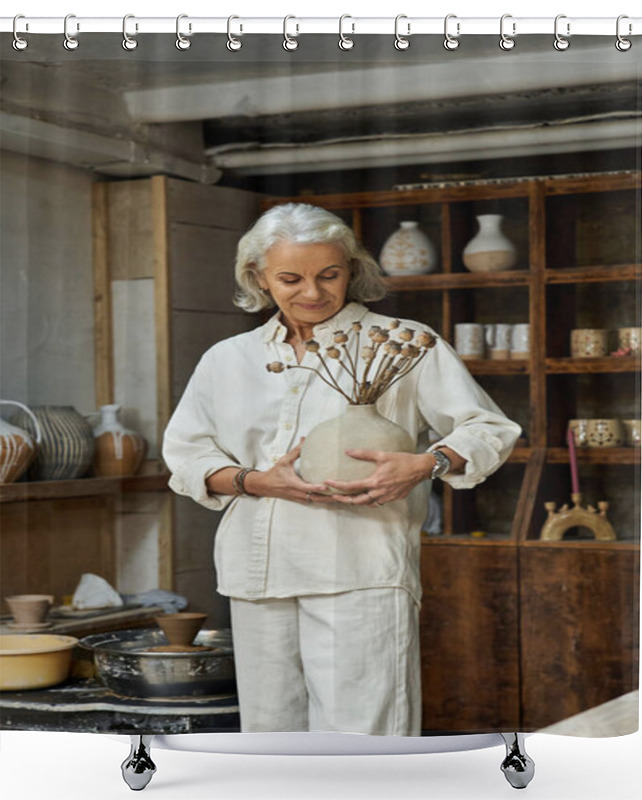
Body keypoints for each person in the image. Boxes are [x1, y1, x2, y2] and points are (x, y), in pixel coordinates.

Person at [162, 203, 521, 735]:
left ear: (351, 270)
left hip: (361, 568)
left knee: (362, 740)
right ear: (257, 277)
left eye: (328, 275)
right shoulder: (227, 358)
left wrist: (426, 464)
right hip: (255, 572)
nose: (312, 292)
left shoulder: (403, 344)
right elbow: (187, 455)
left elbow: (488, 429)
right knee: (270, 737)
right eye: (290, 278)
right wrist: (255, 481)